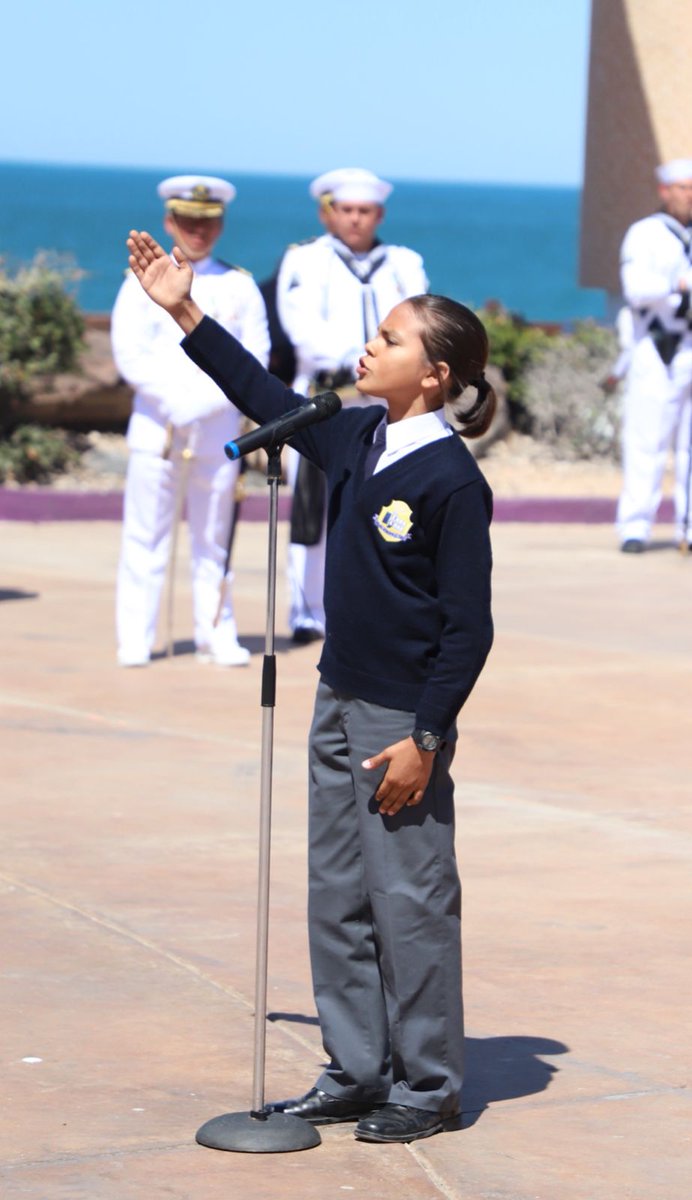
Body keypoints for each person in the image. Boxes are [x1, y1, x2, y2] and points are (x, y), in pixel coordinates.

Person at [126, 227, 495, 1144]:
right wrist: (183, 309)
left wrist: (429, 736)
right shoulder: (358, 433)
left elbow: (469, 627)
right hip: (335, 698)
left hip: (400, 718)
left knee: (408, 901)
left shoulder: (451, 480)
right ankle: (357, 1067)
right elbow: (261, 394)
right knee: (335, 892)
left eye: (393, 340)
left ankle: (428, 1083)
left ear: (436, 375)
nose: (371, 346)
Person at [112, 175, 270, 666]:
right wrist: (172, 399)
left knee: (214, 538)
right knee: (145, 536)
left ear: (219, 224)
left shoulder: (240, 285)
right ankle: (136, 636)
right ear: (169, 221)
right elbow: (128, 353)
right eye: (187, 220)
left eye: (207, 221)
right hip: (157, 426)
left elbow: (255, 356)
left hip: (218, 427)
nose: (198, 230)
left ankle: (216, 632)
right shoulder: (139, 281)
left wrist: (205, 402)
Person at [276, 167, 429, 642]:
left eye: (365, 211)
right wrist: (357, 359)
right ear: (330, 213)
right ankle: (306, 610)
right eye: (346, 210)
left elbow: (420, 322)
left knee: (383, 504)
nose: (356, 220)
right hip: (326, 393)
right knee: (311, 506)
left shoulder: (403, 263)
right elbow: (301, 328)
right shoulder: (305, 261)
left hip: (387, 399)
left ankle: (365, 609)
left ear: (379, 214)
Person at [616, 158, 692, 553]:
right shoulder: (645, 234)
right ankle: (635, 526)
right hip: (658, 344)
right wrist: (678, 282)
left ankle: (689, 527)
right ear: (666, 191)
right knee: (647, 439)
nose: (689, 196)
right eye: (683, 188)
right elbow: (636, 288)